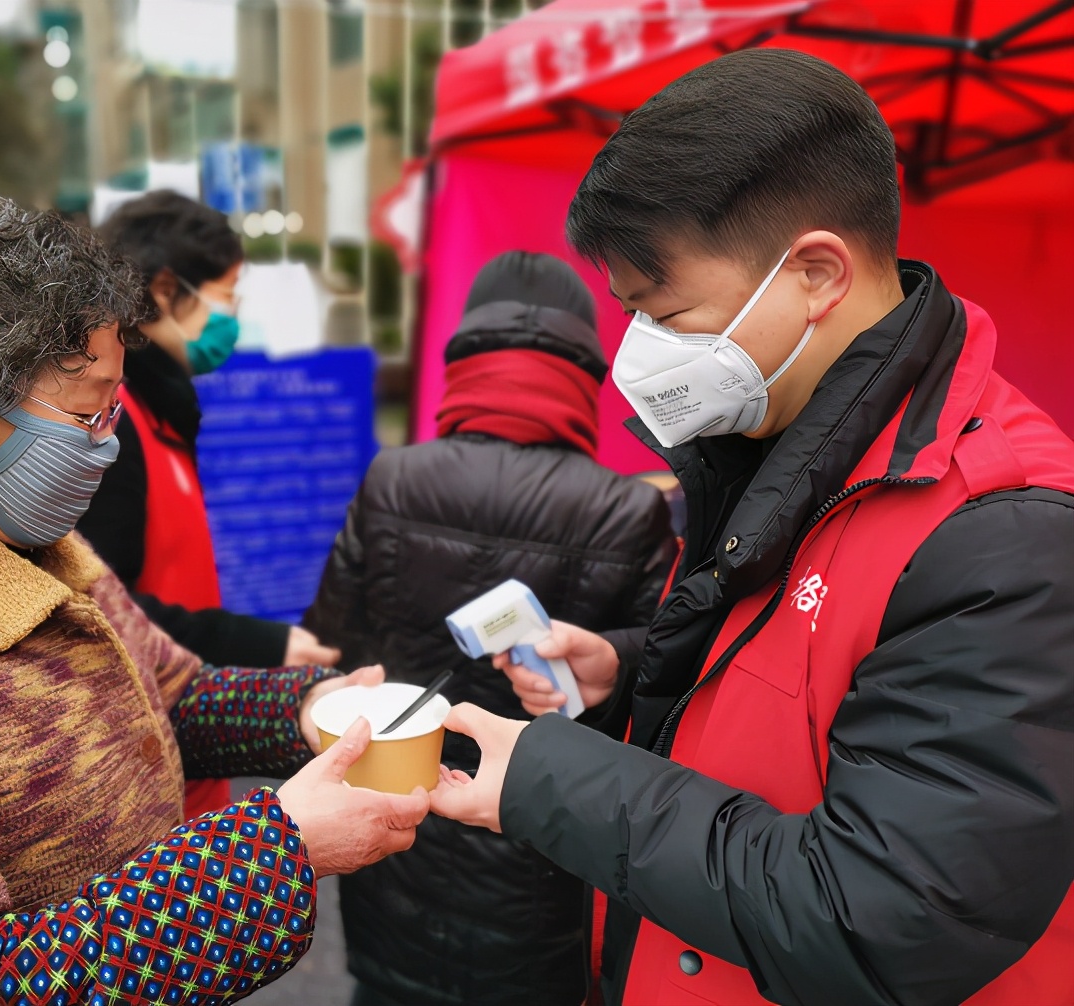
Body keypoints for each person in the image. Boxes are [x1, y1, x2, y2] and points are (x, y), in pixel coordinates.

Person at [429, 49, 1074, 1006]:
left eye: (669, 312)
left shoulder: (1006, 530)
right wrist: (634, 669)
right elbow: (822, 664)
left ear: (815, 273)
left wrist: (551, 781)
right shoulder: (781, 432)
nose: (640, 355)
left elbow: (887, 912)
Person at [0, 190, 427, 1005]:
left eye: (115, 409)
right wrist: (272, 854)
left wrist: (308, 713)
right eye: (88, 413)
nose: (109, 444)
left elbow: (167, 694)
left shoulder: (36, 546)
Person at [304, 251, 677, 1006]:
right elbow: (658, 685)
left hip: (392, 829)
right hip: (539, 850)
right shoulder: (628, 509)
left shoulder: (394, 477)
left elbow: (332, 640)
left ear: (464, 360)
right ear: (585, 374)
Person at [80, 190, 338, 671]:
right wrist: (250, 644)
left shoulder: (160, 411)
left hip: (186, 693)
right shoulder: (112, 423)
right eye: (226, 294)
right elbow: (100, 608)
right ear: (163, 290)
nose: (233, 316)